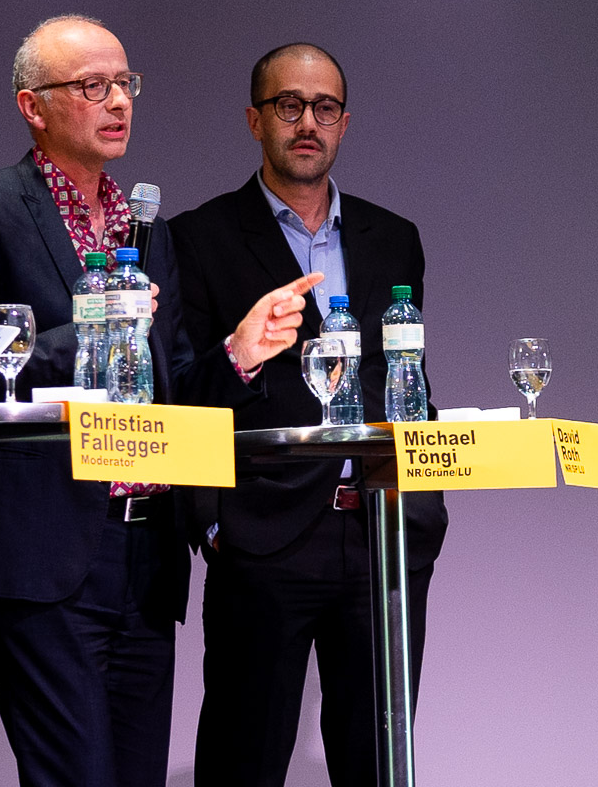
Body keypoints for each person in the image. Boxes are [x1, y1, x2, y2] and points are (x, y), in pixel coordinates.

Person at [0, 15, 321, 787]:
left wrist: (239, 352)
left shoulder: (147, 232)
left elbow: (172, 390)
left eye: (125, 83)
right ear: (33, 107)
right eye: (91, 86)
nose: (118, 101)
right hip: (42, 554)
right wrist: (88, 336)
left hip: (145, 555)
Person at [168, 42, 448, 786]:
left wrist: (425, 495)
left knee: (379, 764)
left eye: (324, 108)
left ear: (344, 123)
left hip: (383, 532)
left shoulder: (394, 238)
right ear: (254, 119)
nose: (307, 123)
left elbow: (406, 377)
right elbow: (183, 390)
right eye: (288, 105)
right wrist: (214, 522)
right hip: (264, 537)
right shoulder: (200, 238)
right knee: (244, 764)